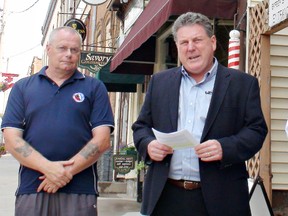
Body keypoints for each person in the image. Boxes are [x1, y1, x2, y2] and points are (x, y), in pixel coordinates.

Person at [132, 12, 267, 216]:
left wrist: (225, 147)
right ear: (177, 47)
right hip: (164, 196)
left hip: (222, 197)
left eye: (197, 40)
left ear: (212, 42)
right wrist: (149, 145)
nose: (191, 48)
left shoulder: (242, 84)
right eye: (184, 42)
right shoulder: (160, 82)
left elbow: (256, 130)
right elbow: (141, 127)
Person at [1, 26, 114, 216]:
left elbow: (102, 140)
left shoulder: (94, 87)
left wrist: (64, 173)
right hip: (33, 188)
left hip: (80, 189)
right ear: (49, 49)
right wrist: (49, 169)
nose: (69, 54)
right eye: (63, 48)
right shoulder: (23, 88)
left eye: (75, 50)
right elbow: (12, 140)